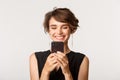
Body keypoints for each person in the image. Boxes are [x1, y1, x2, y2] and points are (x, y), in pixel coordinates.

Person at [29, 7, 89, 80]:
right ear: (48, 30)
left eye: (64, 27)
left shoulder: (82, 59)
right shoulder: (35, 58)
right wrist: (46, 71)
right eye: (54, 28)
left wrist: (67, 73)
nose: (59, 32)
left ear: (72, 29)